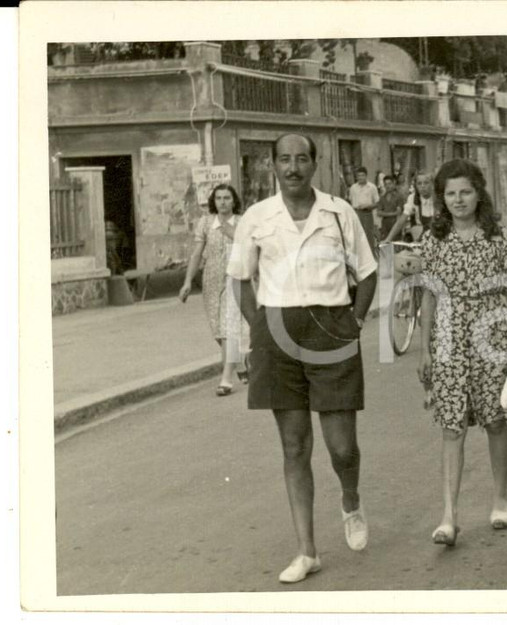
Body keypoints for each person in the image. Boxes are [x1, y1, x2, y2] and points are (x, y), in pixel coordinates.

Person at [226, 133, 378, 584]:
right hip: (277, 333)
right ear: (273, 165)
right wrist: (258, 328)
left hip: (332, 329)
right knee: (294, 445)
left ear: (315, 163)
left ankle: (350, 499)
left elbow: (366, 272)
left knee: (342, 447)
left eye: (301, 159)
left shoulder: (338, 212)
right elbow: (239, 278)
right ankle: (306, 550)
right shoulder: (256, 217)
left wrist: (354, 320)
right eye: (284, 160)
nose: (292, 168)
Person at [416, 159, 507, 547]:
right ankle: (449, 516)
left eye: (465, 191)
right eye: (450, 193)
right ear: (441, 198)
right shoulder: (433, 239)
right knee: (452, 426)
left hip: (492, 330)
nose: (458, 199)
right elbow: (429, 294)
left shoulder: (499, 236)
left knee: (495, 419)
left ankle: (500, 498)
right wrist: (425, 350)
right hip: (449, 335)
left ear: (479, 192)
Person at [179, 184, 248, 395]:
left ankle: (226, 380)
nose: (223, 202)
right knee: (218, 331)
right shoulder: (206, 223)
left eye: (227, 198)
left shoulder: (243, 222)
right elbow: (197, 254)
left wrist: (233, 233)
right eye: (218, 198)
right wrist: (188, 281)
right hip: (211, 281)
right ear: (213, 201)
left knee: (230, 328)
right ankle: (242, 362)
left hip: (235, 279)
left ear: (234, 201)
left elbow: (250, 247)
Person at [383, 171, 435, 244]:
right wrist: (388, 238)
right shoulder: (413, 198)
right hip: (425, 237)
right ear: (416, 186)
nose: (422, 186)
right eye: (419, 183)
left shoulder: (439, 198)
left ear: (432, 184)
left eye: (426, 183)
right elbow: (401, 220)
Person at [349, 166, 381, 258]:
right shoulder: (353, 188)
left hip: (367, 213)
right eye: (358, 176)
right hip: (356, 213)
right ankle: (359, 256)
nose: (360, 178)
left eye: (362, 175)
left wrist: (368, 206)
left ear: (366, 176)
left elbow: (378, 203)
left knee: (368, 235)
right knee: (356, 234)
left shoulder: (372, 187)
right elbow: (351, 201)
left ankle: (370, 256)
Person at [377, 174, 405, 241]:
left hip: (395, 224)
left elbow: (398, 212)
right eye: (386, 184)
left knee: (396, 245)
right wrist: (392, 213)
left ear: (393, 183)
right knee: (385, 245)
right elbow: (379, 213)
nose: (388, 186)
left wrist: (385, 213)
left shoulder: (399, 196)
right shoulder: (382, 198)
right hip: (385, 226)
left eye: (389, 183)